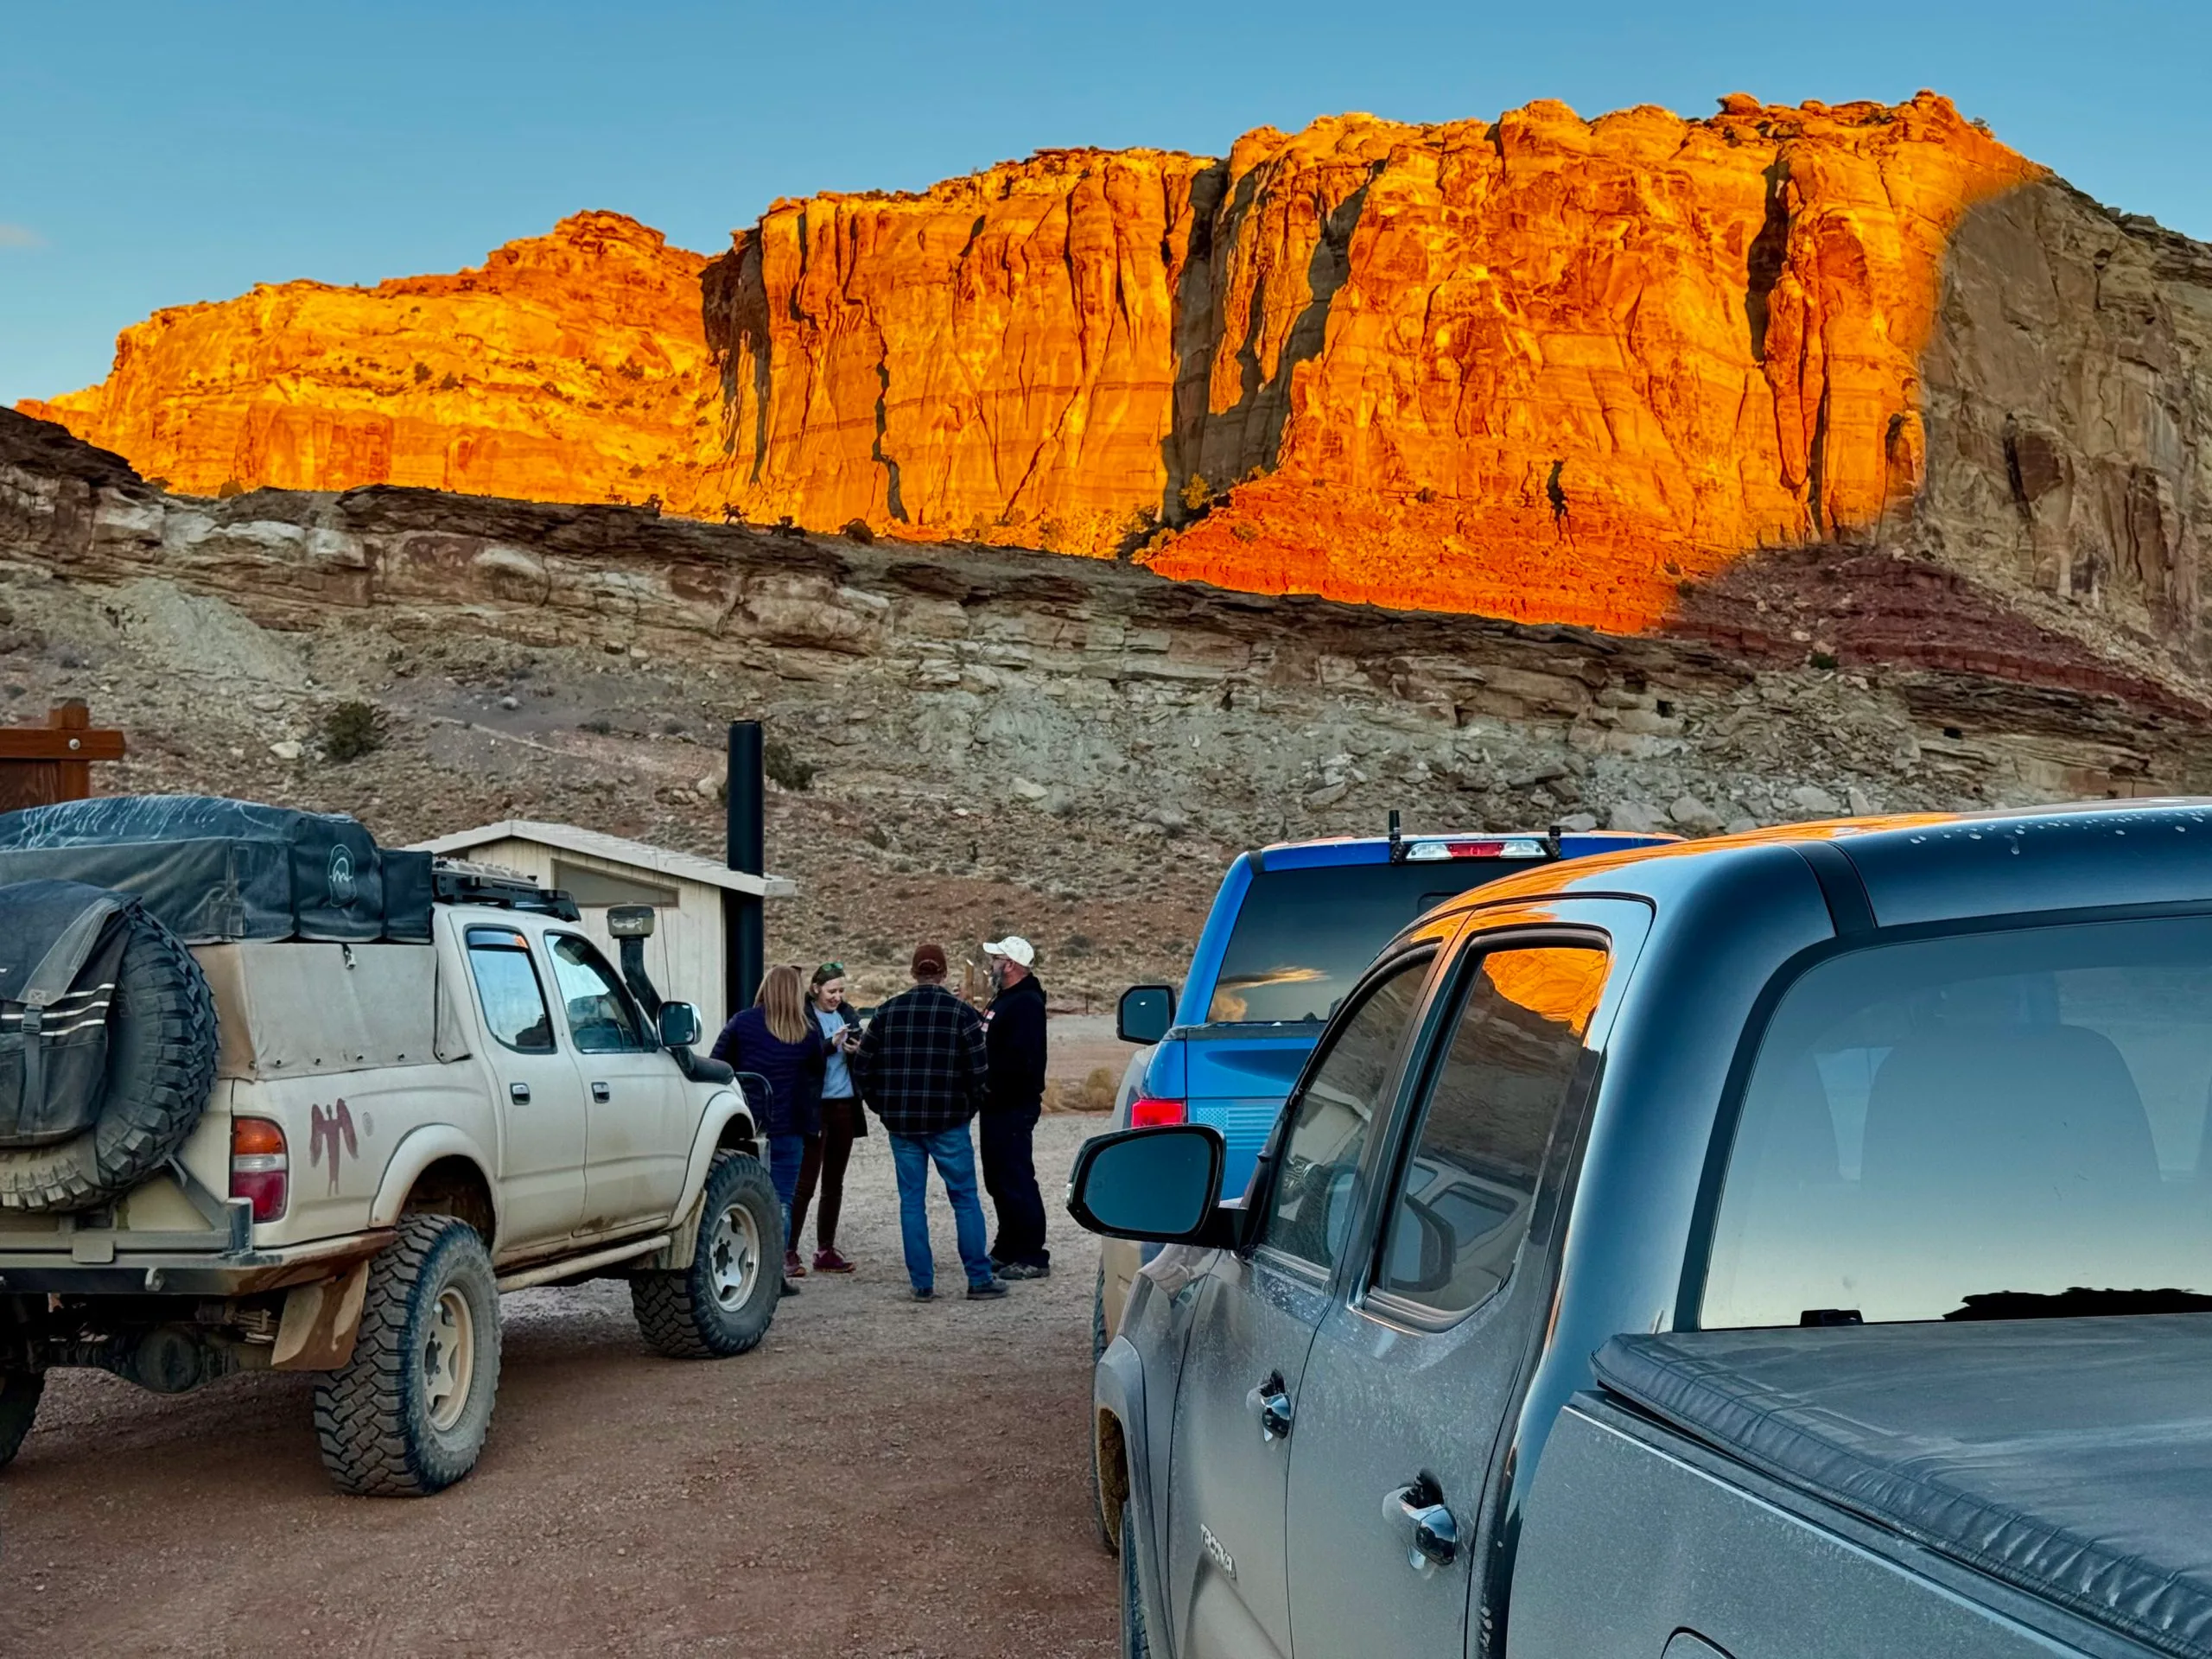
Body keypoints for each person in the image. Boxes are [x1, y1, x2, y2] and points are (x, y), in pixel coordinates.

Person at [851, 943, 1005, 1301]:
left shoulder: (887, 1012)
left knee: (911, 1202)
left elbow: (863, 1067)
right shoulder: (962, 1015)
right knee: (965, 1199)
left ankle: (922, 1283)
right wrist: (967, 1107)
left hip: (903, 1124)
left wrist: (882, 1108)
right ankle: (978, 1279)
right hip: (949, 1122)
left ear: (913, 973)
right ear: (945, 973)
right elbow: (979, 1072)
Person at [709, 963, 829, 1294]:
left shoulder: (742, 1023)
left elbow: (717, 1063)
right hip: (789, 1127)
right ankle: (774, 1275)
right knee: (781, 1200)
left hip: (745, 1127)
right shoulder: (805, 1032)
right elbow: (816, 1075)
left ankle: (741, 1268)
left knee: (741, 1197)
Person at [980, 935, 1052, 1279]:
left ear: (1010, 965)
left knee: (1016, 1177)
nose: (991, 964)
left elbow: (1021, 1060)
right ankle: (1007, 1246)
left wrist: (993, 1084)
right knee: (998, 1177)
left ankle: (1033, 1254)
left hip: (1011, 1103)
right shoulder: (1006, 999)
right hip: (996, 1103)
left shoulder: (1025, 1004)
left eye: (996, 959)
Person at [790, 962, 863, 1274]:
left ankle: (825, 1249)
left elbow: (863, 1054)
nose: (837, 997)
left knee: (834, 1181)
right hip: (816, 1107)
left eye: (841, 991)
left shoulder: (848, 1016)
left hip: (844, 1105)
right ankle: (788, 1250)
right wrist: (828, 1046)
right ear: (816, 988)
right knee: (805, 1182)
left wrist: (854, 1050)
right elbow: (798, 1058)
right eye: (832, 990)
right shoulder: (803, 1017)